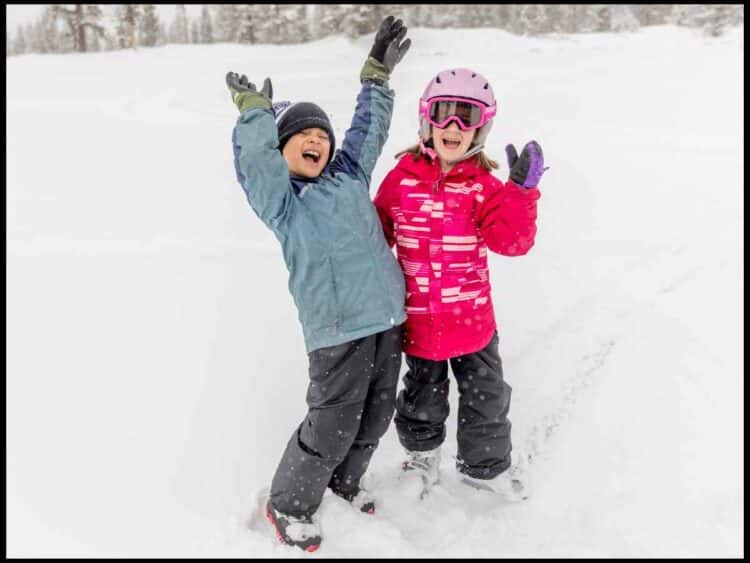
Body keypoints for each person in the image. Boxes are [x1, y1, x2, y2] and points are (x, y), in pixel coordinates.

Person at [226, 16, 411, 552]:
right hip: (335, 329)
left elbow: (366, 131)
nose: (316, 139)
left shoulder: (349, 175)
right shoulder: (284, 203)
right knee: (332, 422)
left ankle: (344, 484)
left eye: (321, 135)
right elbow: (255, 166)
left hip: (387, 319)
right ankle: (290, 503)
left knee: (376, 415)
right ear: (282, 151)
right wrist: (257, 118)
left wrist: (376, 76)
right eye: (302, 135)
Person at [373, 68, 545, 500]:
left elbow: (512, 242)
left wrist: (520, 193)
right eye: (443, 113)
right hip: (419, 320)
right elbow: (376, 235)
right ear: (425, 120)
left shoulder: (485, 187)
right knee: (421, 396)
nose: (453, 127)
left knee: (485, 398)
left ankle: (484, 470)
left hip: (471, 321)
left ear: (481, 128)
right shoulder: (400, 181)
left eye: (465, 117)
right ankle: (420, 458)